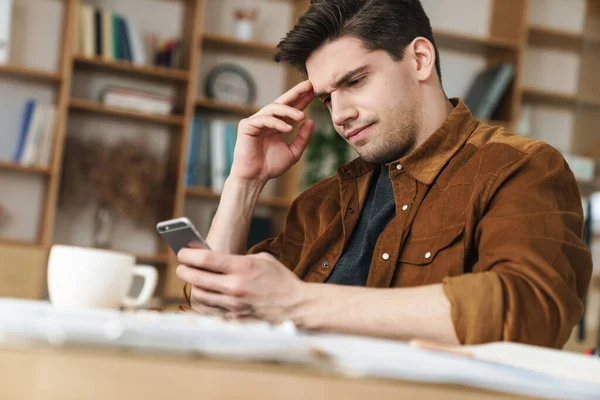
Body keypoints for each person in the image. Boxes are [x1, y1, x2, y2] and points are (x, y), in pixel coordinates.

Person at [176, 0, 592, 348]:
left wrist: (299, 302)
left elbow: (530, 309)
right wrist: (245, 183)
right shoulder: (321, 203)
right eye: (326, 99)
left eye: (355, 81)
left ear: (419, 59)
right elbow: (212, 305)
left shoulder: (520, 167)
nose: (339, 115)